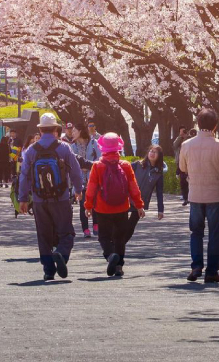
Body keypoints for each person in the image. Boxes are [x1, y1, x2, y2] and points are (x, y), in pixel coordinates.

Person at [18, 113, 84, 280]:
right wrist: (78, 189)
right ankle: (61, 253)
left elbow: (24, 175)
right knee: (66, 232)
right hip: (61, 198)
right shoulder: (63, 148)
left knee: (43, 234)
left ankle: (48, 270)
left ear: (40, 130)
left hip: (39, 199)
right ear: (56, 130)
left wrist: (23, 199)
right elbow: (75, 171)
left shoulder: (32, 150)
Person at [180, 107, 219, 283]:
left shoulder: (186, 145)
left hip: (195, 194)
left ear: (198, 123)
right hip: (215, 195)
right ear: (215, 125)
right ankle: (212, 271)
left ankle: (196, 266)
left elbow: (182, 168)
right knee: (214, 234)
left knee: (196, 232)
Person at [84, 133, 145, 277]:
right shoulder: (125, 165)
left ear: (102, 148)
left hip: (102, 208)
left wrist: (88, 206)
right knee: (119, 238)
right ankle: (119, 266)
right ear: (119, 147)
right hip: (122, 207)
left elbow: (91, 188)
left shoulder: (97, 166)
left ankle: (110, 255)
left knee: (104, 236)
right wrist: (139, 205)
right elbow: (133, 187)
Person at [126, 144, 165, 241]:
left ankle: (120, 245)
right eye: (151, 151)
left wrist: (160, 210)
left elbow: (159, 192)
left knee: (131, 226)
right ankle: (115, 244)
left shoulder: (158, 173)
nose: (152, 153)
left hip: (140, 203)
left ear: (159, 156)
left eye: (155, 152)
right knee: (122, 224)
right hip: (127, 199)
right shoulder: (137, 165)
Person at [71, 125, 102, 237]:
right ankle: (85, 229)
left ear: (80, 131)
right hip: (79, 179)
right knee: (83, 203)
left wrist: (88, 166)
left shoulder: (94, 143)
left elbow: (100, 160)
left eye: (74, 130)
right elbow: (71, 163)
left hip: (93, 178)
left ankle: (96, 224)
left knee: (95, 202)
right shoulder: (72, 146)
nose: (72, 133)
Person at [173, 125, 190, 206]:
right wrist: (181, 136)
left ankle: (190, 197)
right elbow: (175, 145)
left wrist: (186, 137)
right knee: (183, 181)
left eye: (184, 131)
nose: (183, 132)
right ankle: (185, 198)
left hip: (189, 163)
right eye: (181, 131)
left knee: (190, 181)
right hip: (180, 162)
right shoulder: (178, 139)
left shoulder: (190, 138)